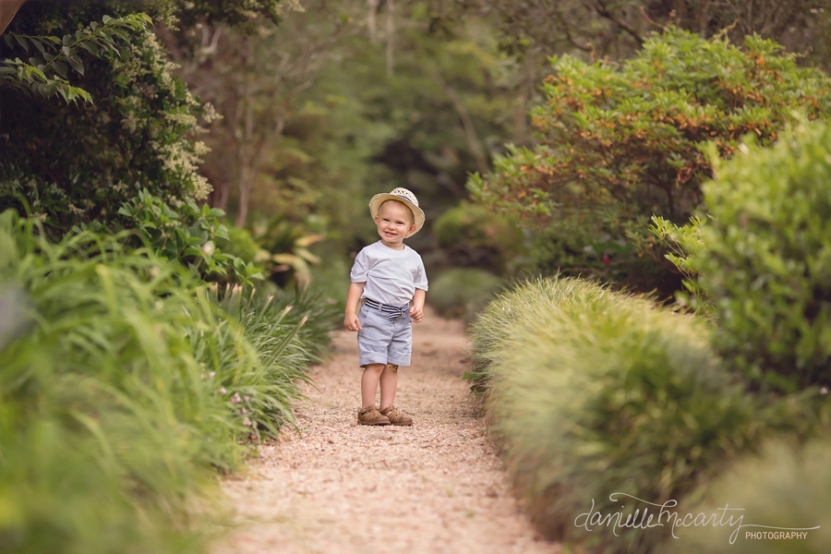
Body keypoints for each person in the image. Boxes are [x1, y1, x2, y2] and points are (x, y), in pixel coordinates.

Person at [344, 187, 428, 426]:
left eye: (399, 222)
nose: (391, 226)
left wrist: (418, 305)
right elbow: (357, 285)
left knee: (392, 365)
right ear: (377, 220)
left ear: (410, 229)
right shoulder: (370, 253)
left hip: (401, 319)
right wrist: (350, 311)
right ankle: (367, 409)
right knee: (376, 363)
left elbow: (419, 286)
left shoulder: (413, 258)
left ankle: (387, 406)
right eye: (387, 220)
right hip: (374, 315)